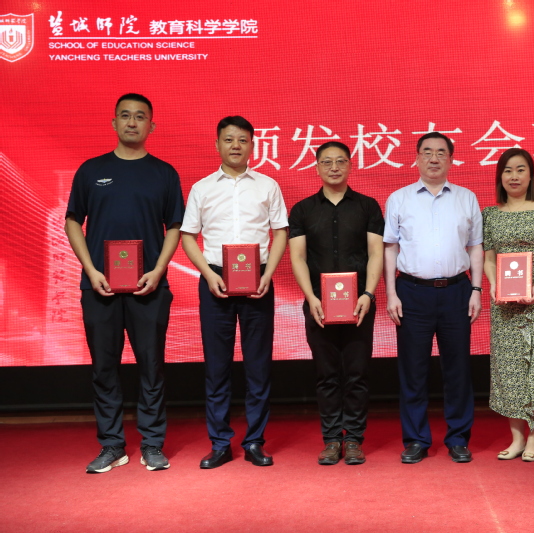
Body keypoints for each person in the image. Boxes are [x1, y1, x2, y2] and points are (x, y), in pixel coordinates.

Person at [65, 93, 185, 473]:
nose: (132, 122)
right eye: (125, 116)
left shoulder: (164, 173)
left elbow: (175, 226)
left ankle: (152, 444)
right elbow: (73, 221)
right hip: (98, 286)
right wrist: (91, 269)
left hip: (149, 287)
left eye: (140, 117)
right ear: (114, 122)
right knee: (104, 367)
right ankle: (112, 445)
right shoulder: (91, 170)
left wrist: (159, 270)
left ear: (152, 125)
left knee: (152, 367)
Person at [181, 116, 288, 469]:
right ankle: (220, 443)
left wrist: (268, 274)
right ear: (217, 145)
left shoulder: (268, 185)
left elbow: (280, 232)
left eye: (243, 140)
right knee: (217, 367)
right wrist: (207, 274)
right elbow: (188, 236)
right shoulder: (201, 188)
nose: (236, 146)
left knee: (258, 367)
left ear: (253, 145)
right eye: (229, 139)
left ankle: (255, 441)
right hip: (215, 281)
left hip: (258, 281)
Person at [384, 132, 483, 463]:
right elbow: (390, 247)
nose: (434, 158)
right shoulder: (399, 199)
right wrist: (391, 292)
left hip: (457, 291)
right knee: (413, 370)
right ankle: (416, 439)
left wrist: (476, 289)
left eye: (441, 152)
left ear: (451, 159)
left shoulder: (466, 198)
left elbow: (476, 247)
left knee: (458, 369)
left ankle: (458, 438)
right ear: (416, 158)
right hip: (412, 293)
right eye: (427, 152)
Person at [288, 141, 384, 465]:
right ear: (316, 167)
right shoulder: (302, 210)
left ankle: (354, 438)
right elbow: (298, 257)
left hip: (359, 306)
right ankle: (331, 439)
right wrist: (310, 297)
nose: (334, 167)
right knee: (326, 375)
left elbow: (376, 253)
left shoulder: (368, 207)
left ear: (350, 166)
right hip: (319, 306)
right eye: (327, 162)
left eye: (340, 161)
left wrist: (368, 294)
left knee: (357, 374)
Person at [483, 148, 534, 462]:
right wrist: (494, 284)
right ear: (500, 176)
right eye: (507, 170)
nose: (514, 176)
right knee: (509, 370)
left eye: (520, 170)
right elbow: (490, 259)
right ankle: (516, 438)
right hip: (504, 305)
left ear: (530, 175)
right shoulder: (490, 214)